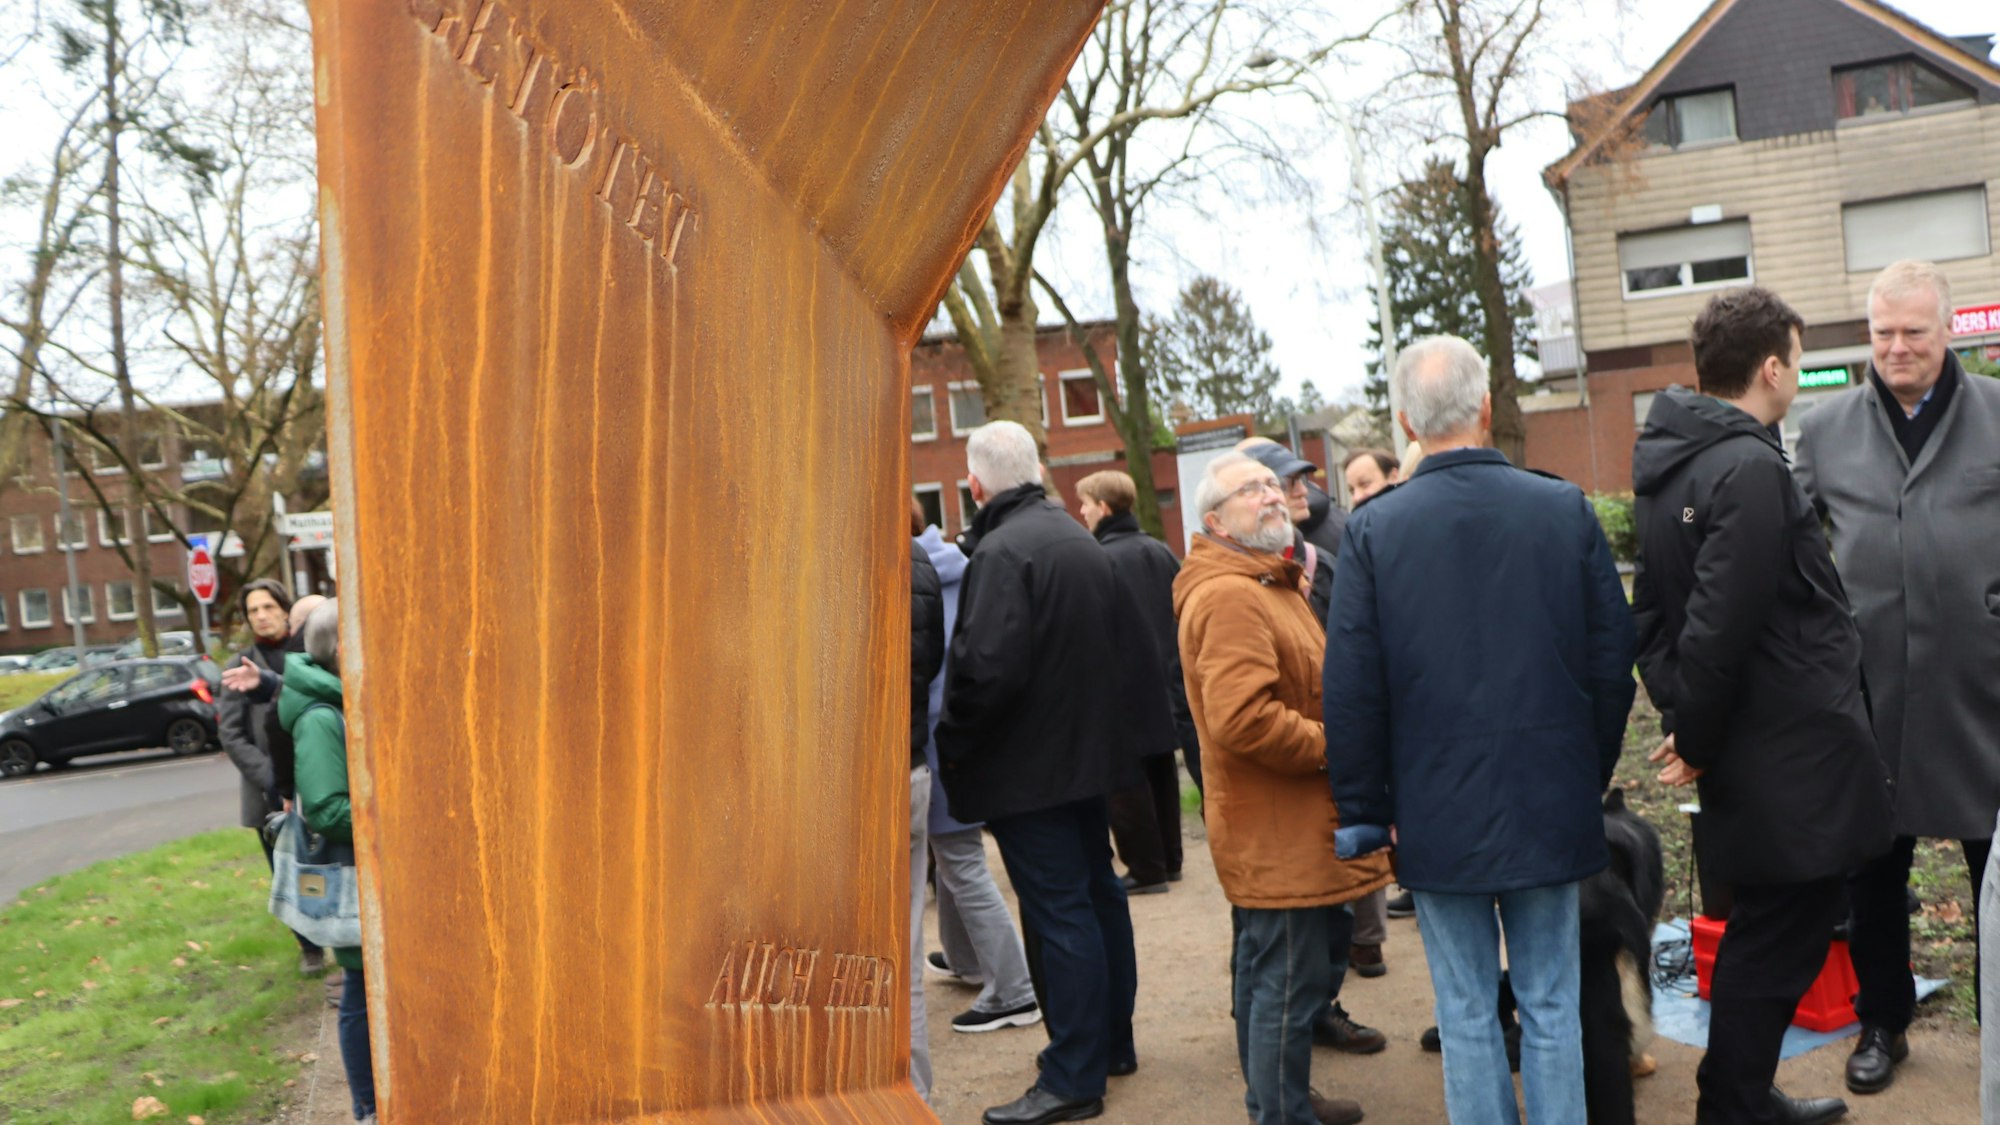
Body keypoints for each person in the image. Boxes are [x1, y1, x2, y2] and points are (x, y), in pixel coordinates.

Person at [1324, 335, 1636, 1125]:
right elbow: (1611, 663)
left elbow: (1353, 686)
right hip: (1549, 793)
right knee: (1552, 1000)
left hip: (1433, 805)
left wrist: (1366, 805)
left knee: (1465, 1009)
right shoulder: (1561, 508)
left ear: (1405, 421)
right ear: (1487, 408)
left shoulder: (1373, 530)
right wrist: (1586, 770)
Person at [1633, 288, 1893, 1125]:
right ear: (1774, 366)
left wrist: (1686, 720)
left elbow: (1653, 621)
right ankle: (1734, 1103)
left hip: (1763, 748)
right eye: (1796, 356)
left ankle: (1743, 1095)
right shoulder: (1745, 465)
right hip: (1786, 754)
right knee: (1782, 929)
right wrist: (1696, 736)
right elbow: (1715, 627)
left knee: (1769, 926)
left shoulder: (1675, 462)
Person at [1794, 259, 2000, 1096]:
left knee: (1995, 875)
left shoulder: (1996, 412)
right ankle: (1883, 1020)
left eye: (1913, 331)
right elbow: (1798, 548)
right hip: (1868, 691)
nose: (1896, 348)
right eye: (1882, 332)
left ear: (1947, 329)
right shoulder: (1826, 424)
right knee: (1873, 873)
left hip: (1982, 692)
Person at [1175, 451, 1393, 1125]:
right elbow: (1243, 719)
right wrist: (1342, 750)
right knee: (1283, 982)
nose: (1272, 495)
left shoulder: (1265, 580)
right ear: (1216, 519)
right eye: (1251, 490)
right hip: (1277, 832)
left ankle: (1284, 1099)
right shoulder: (1231, 594)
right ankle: (1281, 1112)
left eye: (1273, 484)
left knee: (1288, 974)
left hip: (1295, 826)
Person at [935, 421, 1140, 1125]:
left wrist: (953, 738)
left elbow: (985, 670)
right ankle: (1110, 1042)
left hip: (1032, 770)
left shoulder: (1001, 551)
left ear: (975, 485)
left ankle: (1074, 1073)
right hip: (1085, 760)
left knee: (1063, 911)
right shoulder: (1076, 539)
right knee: (1095, 895)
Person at [915, 504, 1041, 1036]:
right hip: (963, 733)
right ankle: (968, 960)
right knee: (951, 854)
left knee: (960, 859)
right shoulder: (960, 567)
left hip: (932, 736)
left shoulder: (902, 576)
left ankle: (1014, 989)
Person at [279, 599, 373, 1124]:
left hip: (361, 872)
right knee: (360, 990)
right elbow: (328, 808)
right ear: (341, 648)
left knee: (366, 990)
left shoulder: (338, 701)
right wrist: (399, 827)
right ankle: (368, 1108)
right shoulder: (320, 716)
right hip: (349, 875)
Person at [1077, 469, 1189, 896]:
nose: (1081, 511)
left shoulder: (1101, 558)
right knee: (1161, 767)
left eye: (1086, 503)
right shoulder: (1159, 550)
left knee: (1127, 779)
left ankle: (1146, 866)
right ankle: (1170, 857)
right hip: (1166, 678)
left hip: (1125, 683)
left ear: (1104, 508)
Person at [217, 578, 326, 976]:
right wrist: (273, 779)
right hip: (267, 791)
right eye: (253, 611)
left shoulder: (310, 651)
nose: (261, 616)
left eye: (268, 607)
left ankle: (339, 930)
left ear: (284, 609)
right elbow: (231, 733)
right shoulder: (239, 666)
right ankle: (310, 947)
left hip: (321, 779)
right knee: (288, 869)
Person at [907, 528, 946, 1103]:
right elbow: (931, 658)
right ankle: (913, 1093)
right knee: (905, 945)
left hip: (849, 781)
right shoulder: (915, 553)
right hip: (910, 764)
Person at [1237, 438, 1344, 624]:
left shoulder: (1323, 563)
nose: (1303, 491)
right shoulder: (1225, 569)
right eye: (1285, 483)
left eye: (1302, 480)